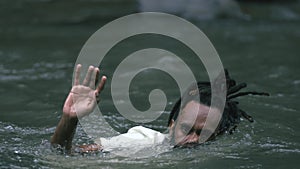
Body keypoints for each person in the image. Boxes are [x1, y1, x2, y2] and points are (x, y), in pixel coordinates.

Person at [51, 64, 268, 153]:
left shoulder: (227, 154)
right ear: (171, 124)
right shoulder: (141, 142)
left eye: (204, 134)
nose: (192, 140)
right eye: (187, 128)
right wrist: (70, 121)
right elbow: (63, 158)